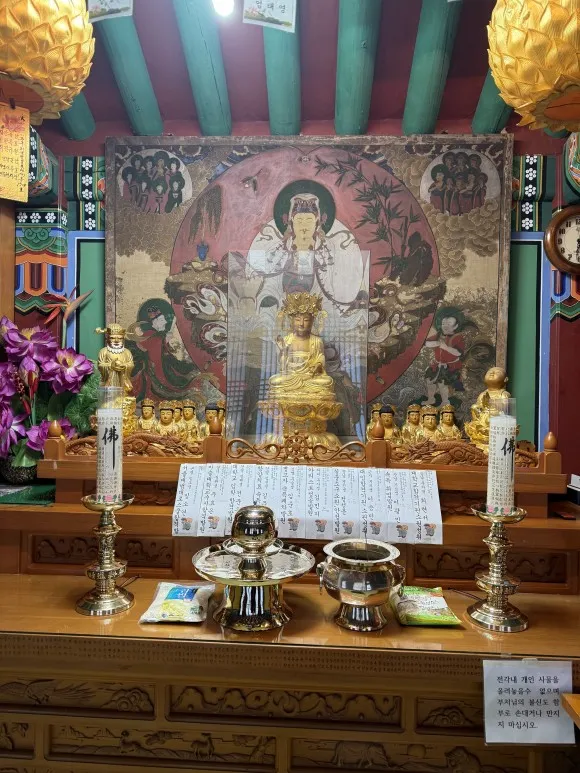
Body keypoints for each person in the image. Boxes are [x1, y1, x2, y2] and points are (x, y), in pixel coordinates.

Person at [268, 292, 336, 404]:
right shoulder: (287, 340)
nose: (301, 324)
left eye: (306, 320)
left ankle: (302, 392)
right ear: (292, 321)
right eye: (298, 319)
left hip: (310, 377)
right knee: (274, 381)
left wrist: (318, 365)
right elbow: (283, 368)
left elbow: (320, 357)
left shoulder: (316, 341)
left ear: (312, 322)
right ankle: (295, 391)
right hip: (291, 378)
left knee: (327, 382)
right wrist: (283, 351)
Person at [424, 308, 467, 406]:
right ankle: (431, 399)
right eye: (443, 323)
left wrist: (446, 347)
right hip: (437, 364)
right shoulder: (439, 334)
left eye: (449, 323)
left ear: (456, 326)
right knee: (429, 381)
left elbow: (458, 353)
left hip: (450, 366)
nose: (445, 326)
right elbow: (426, 343)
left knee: (442, 384)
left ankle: (445, 402)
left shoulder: (457, 337)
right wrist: (435, 343)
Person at [96, 323, 134, 395]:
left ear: (123, 339)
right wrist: (111, 365)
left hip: (122, 380)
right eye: (112, 338)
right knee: (109, 395)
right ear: (107, 339)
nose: (116, 340)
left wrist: (124, 365)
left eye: (120, 338)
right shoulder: (104, 351)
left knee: (124, 394)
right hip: (110, 381)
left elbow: (131, 364)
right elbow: (100, 365)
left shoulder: (127, 352)